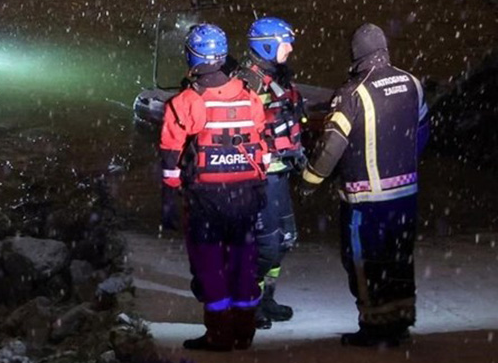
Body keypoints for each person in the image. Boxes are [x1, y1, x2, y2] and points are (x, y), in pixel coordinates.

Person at [299, 23, 430, 347]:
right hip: (406, 196)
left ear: (355, 54)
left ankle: (374, 328)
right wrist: (402, 162)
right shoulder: (412, 83)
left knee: (364, 262)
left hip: (366, 201)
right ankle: (400, 323)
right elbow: (424, 129)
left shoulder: (352, 94)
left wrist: (308, 181)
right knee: (399, 258)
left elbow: (331, 146)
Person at [160, 23, 270, 352]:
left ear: (191, 56)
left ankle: (218, 334)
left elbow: (170, 156)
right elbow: (262, 147)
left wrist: (169, 198)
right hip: (247, 197)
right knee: (243, 262)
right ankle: (244, 331)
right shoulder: (250, 97)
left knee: (209, 266)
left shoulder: (186, 103)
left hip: (207, 200)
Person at [235, 17, 306, 329]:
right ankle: (249, 303)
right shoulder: (246, 83)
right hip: (260, 178)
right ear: (266, 45)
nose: (290, 48)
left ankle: (266, 298)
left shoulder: (277, 79)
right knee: (265, 246)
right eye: (284, 42)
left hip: (280, 172)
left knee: (286, 239)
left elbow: (287, 116)